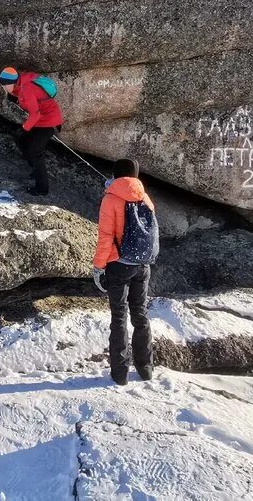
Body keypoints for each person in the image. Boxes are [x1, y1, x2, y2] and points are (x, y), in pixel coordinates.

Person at [91, 158, 159, 386]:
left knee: (119, 316)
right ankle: (146, 368)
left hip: (119, 265)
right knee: (140, 315)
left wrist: (98, 266)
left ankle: (120, 374)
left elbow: (105, 236)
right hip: (143, 264)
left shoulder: (110, 198)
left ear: (115, 174)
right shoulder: (145, 196)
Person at [0, 66, 63, 196]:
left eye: (6, 85)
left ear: (13, 82)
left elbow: (35, 114)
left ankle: (42, 189)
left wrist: (23, 129)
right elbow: (32, 99)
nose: (5, 88)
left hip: (49, 122)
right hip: (41, 121)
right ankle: (35, 167)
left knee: (35, 152)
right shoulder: (22, 82)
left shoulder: (27, 88)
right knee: (21, 140)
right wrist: (16, 98)